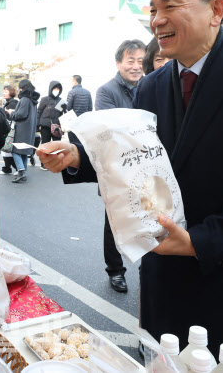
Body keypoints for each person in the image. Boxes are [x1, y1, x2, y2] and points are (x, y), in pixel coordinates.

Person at [38, 0, 223, 373]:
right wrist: (79, 157)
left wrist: (200, 241)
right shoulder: (152, 85)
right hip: (166, 272)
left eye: (169, 6)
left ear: (216, 9)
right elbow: (137, 158)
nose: (156, 20)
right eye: (152, 10)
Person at [95, 39, 146, 293]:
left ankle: (147, 269)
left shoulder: (151, 85)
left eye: (140, 61)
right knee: (114, 223)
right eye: (130, 61)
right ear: (118, 63)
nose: (136, 66)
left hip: (147, 167)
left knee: (150, 217)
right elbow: (110, 130)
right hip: (116, 169)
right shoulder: (106, 91)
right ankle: (115, 271)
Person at [11, 79, 40, 183]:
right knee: (23, 152)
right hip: (30, 130)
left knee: (15, 151)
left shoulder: (24, 100)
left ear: (22, 88)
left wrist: (12, 113)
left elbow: (20, 114)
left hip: (21, 129)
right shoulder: (33, 101)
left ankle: (21, 170)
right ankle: (23, 172)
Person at [36, 80, 66, 171]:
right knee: (45, 145)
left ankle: (55, 162)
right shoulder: (44, 99)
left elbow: (64, 115)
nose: (56, 90)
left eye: (58, 89)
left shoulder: (61, 101)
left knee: (57, 145)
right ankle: (43, 163)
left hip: (57, 126)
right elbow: (39, 112)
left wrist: (65, 109)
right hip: (45, 125)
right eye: (54, 88)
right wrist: (37, 125)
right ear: (51, 89)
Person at [65, 75, 93, 144]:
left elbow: (68, 108)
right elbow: (90, 108)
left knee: (74, 143)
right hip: (84, 122)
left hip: (74, 122)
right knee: (82, 142)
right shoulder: (88, 92)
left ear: (75, 81)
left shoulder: (71, 92)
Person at [1, 84, 19, 175]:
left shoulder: (13, 103)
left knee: (9, 148)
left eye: (6, 91)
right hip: (8, 128)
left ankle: (17, 168)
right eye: (3, 91)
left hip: (11, 128)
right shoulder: (8, 102)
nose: (4, 93)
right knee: (7, 148)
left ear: (11, 92)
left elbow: (12, 116)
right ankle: (7, 168)